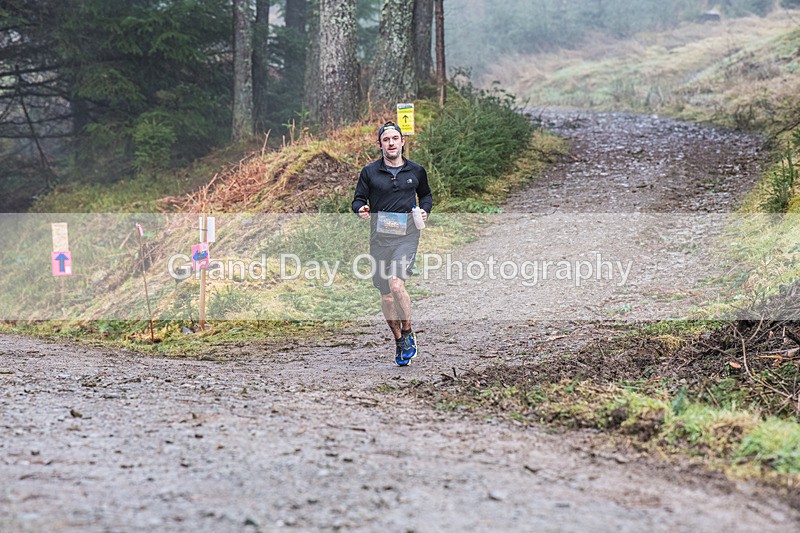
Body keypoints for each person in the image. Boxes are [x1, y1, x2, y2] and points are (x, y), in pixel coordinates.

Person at [352, 121, 432, 366]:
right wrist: (361, 209)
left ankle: (407, 332)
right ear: (380, 145)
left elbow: (426, 195)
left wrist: (425, 210)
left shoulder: (416, 171)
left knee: (397, 286)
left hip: (407, 237)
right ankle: (398, 340)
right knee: (386, 297)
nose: (391, 143)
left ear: (402, 142)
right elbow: (357, 200)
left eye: (395, 139)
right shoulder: (369, 172)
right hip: (379, 239)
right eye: (386, 140)